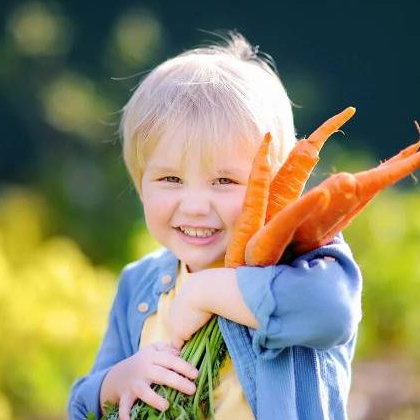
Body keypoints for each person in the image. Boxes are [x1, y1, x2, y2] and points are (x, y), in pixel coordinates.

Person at [67, 31, 362, 420]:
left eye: (224, 181)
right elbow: (80, 405)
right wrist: (117, 381)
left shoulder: (304, 263)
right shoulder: (138, 284)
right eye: (170, 180)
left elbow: (332, 313)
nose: (194, 206)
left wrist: (205, 291)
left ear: (272, 185)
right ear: (140, 186)